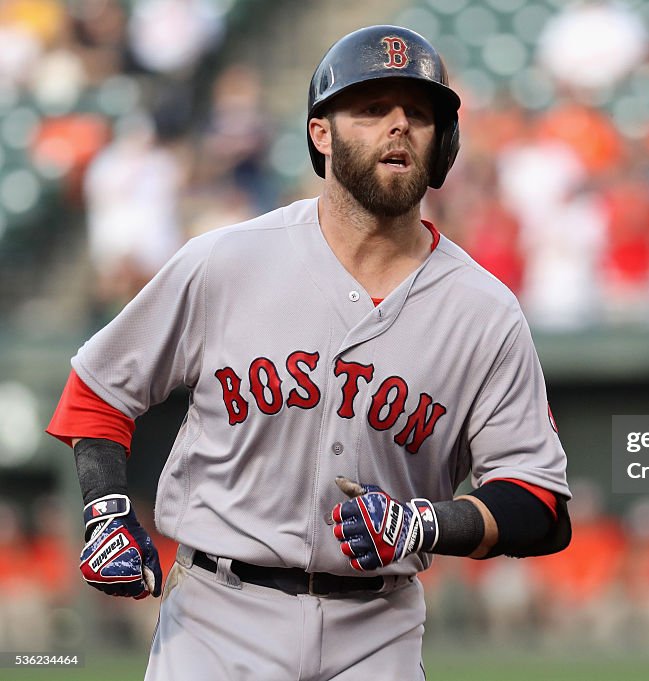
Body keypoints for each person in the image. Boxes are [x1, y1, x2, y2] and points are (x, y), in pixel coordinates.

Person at [46, 25, 571, 680]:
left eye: (419, 113)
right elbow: (98, 387)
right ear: (322, 133)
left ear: (445, 144)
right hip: (216, 618)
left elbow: (541, 504)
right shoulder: (228, 260)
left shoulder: (484, 312)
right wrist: (104, 509)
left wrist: (427, 524)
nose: (399, 126)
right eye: (372, 108)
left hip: (377, 631)